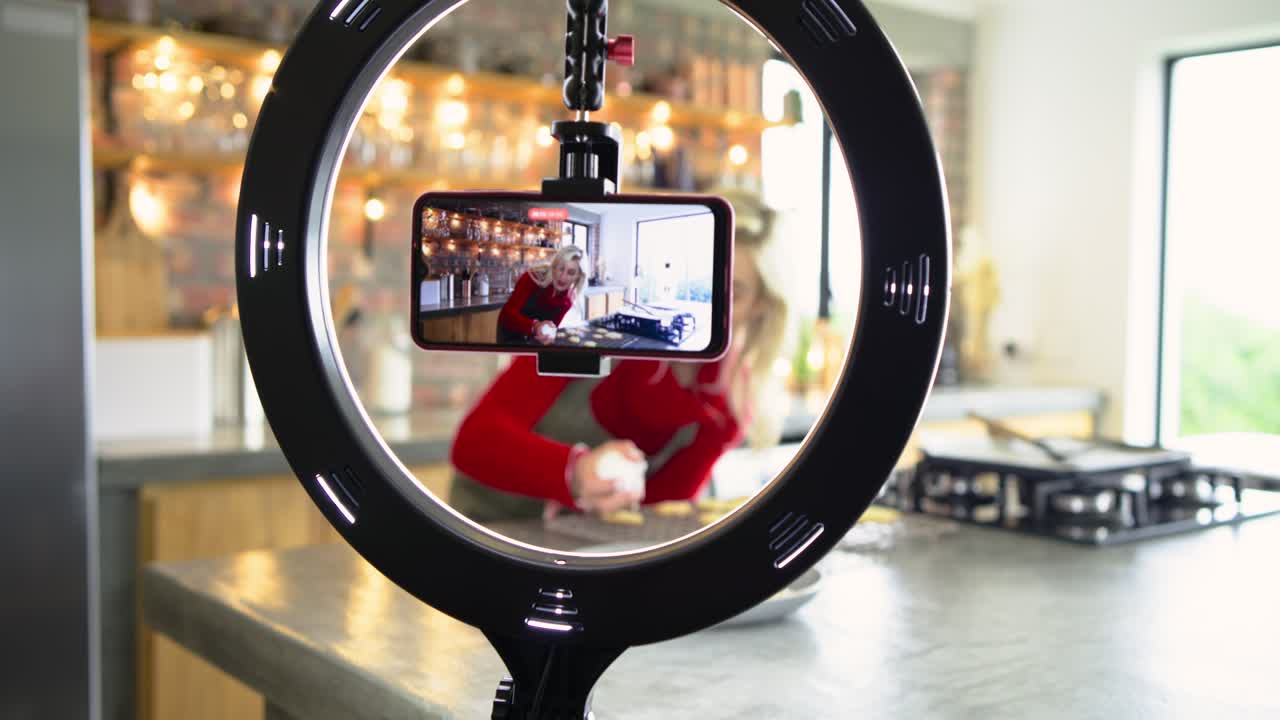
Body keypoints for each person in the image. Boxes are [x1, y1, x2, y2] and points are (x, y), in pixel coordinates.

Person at [449, 191, 790, 523]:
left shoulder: (729, 402)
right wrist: (576, 471)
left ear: (760, 308)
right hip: (486, 530)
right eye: (706, 282)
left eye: (735, 294)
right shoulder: (591, 330)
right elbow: (474, 442)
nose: (710, 307)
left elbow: (657, 517)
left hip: (581, 556)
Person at [497, 245, 590, 346]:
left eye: (571, 273)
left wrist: (547, 335)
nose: (563, 277)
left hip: (535, 341)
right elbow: (506, 315)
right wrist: (535, 326)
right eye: (561, 268)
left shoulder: (567, 300)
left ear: (578, 277)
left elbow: (550, 329)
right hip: (510, 336)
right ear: (554, 266)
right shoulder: (533, 277)